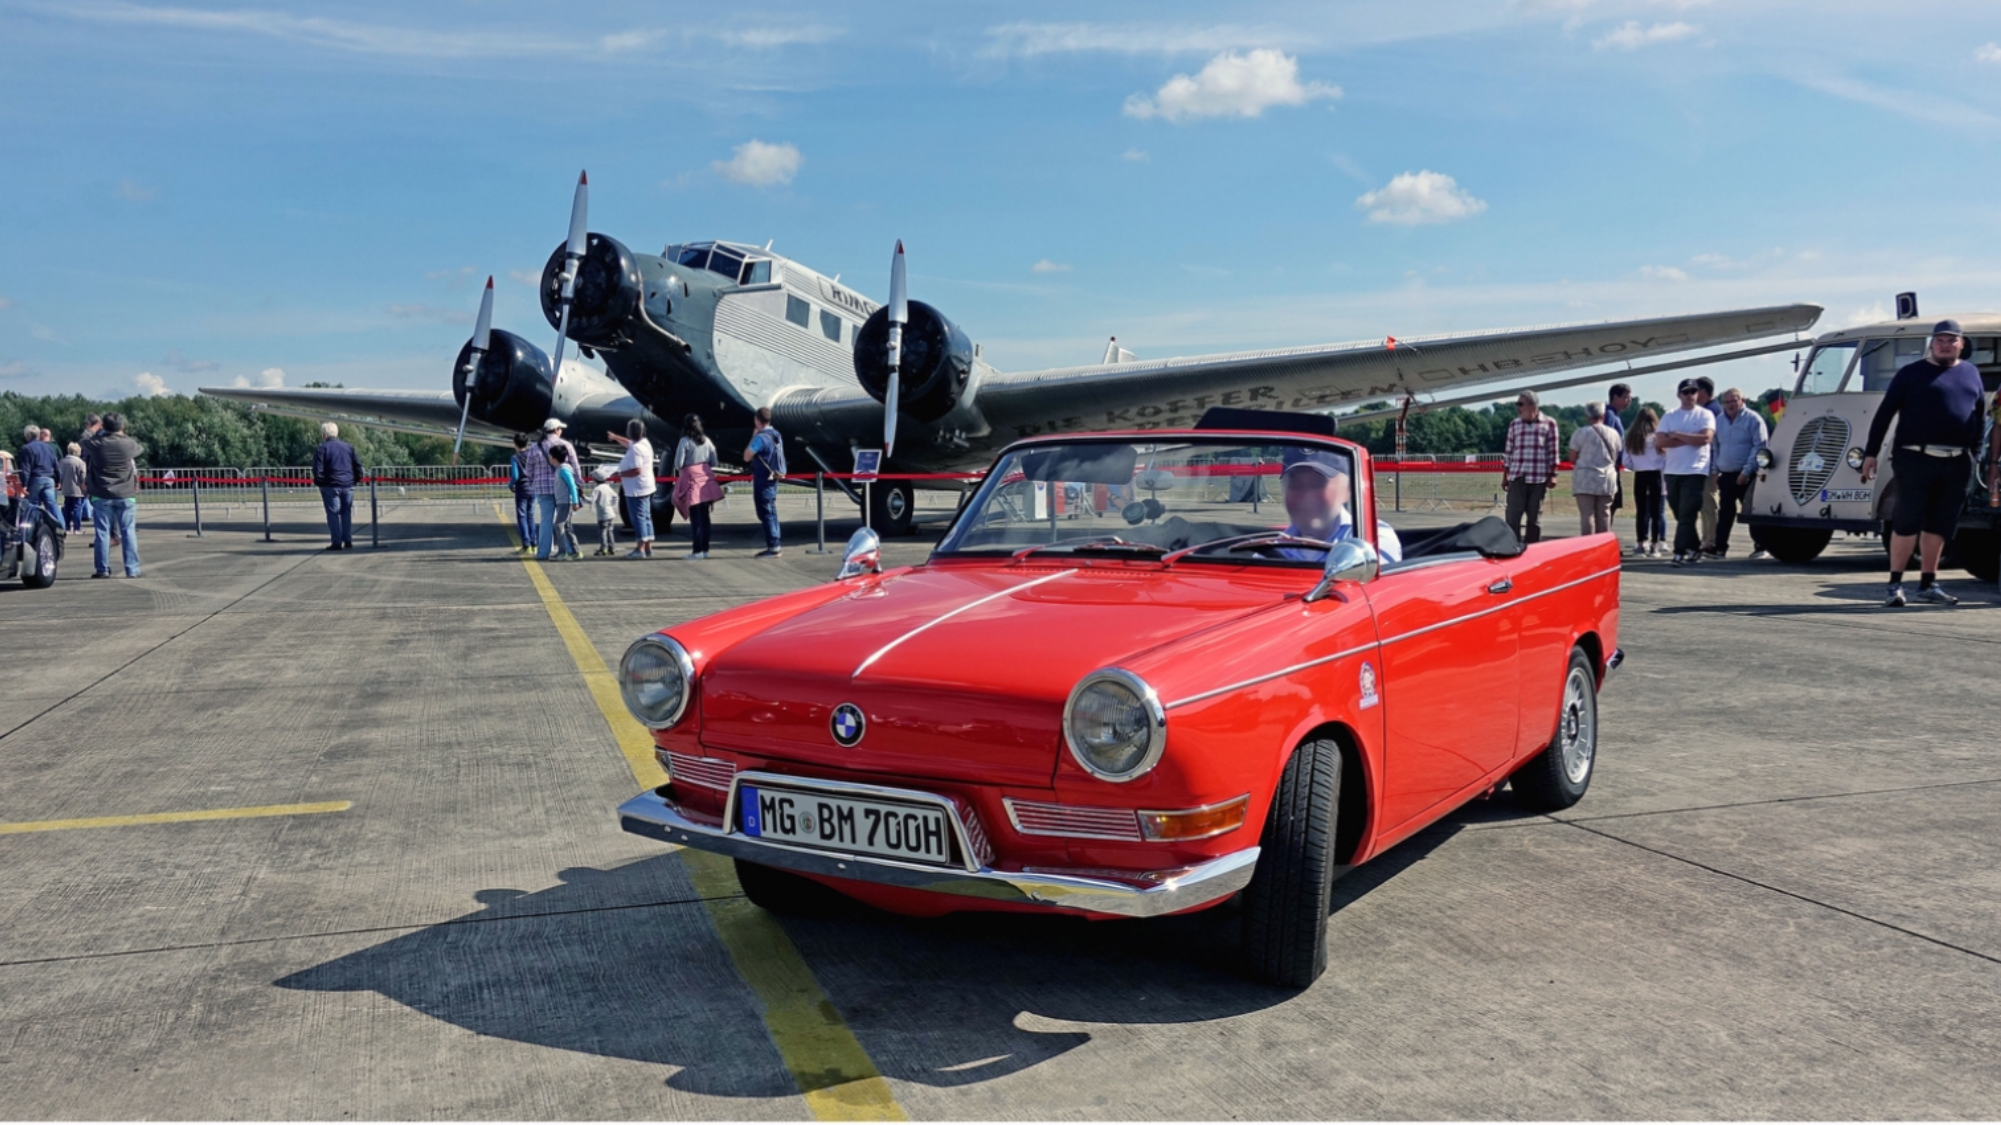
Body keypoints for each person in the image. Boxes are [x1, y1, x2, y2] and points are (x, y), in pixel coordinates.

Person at [1860, 319, 1986, 607]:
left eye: (1951, 340)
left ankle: (1928, 584)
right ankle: (1895, 585)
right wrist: (1871, 453)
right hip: (1915, 457)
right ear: (1932, 344)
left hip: (1956, 461)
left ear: (1961, 344)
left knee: (1940, 524)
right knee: (1907, 521)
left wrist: (1975, 455)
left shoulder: (1971, 374)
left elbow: (1978, 418)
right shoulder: (1910, 374)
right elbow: (1884, 415)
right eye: (1940, 340)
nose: (1945, 344)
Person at [1276, 447, 1403, 563]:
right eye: (1296, 485)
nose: (1307, 496)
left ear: (1347, 490)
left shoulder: (1373, 539)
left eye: (1318, 484)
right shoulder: (1273, 546)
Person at [1655, 379, 1716, 567]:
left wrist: (1678, 435)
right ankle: (1694, 547)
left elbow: (1706, 438)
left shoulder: (1705, 414)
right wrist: (1689, 439)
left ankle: (1679, 552)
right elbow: (1661, 441)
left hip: (1695, 470)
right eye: (1686, 392)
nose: (1690, 395)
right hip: (1673, 470)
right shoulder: (1670, 415)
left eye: (1693, 392)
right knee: (1679, 512)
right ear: (1679, 395)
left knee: (1688, 512)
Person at [1709, 387, 1771, 560]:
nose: (1730, 404)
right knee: (1725, 513)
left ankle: (1761, 546)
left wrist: (1746, 471)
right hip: (1726, 474)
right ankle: (1720, 549)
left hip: (1749, 475)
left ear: (1742, 401)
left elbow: (1760, 447)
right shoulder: (1719, 421)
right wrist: (1715, 470)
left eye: (1734, 400)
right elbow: (1716, 447)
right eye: (1726, 401)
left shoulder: (1753, 420)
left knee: (1752, 512)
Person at [82, 412, 143, 578]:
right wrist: (121, 434)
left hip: (101, 493)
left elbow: (83, 441)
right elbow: (139, 449)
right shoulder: (128, 444)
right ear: (122, 427)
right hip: (125, 494)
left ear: (103, 426)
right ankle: (133, 569)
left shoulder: (96, 443)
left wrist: (95, 430)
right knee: (128, 532)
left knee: (102, 532)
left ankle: (102, 569)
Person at [1502, 390, 1559, 544]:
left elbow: (1553, 451)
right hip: (1517, 476)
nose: (1518, 408)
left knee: (1534, 519)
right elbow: (1508, 451)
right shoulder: (1514, 424)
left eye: (1520, 404)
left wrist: (1553, 474)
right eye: (1517, 404)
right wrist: (1505, 475)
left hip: (1538, 478)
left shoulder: (1549, 424)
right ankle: (1511, 546)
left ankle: (1532, 549)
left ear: (1532, 405)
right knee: (1512, 516)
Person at [672, 413, 723, 560]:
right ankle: (705, 549)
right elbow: (714, 461)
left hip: (692, 481)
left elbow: (678, 464)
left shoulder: (684, 442)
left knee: (696, 519)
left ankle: (697, 551)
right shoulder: (707, 441)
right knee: (705, 517)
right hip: (706, 480)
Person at [1567, 402, 1621, 537]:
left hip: (1585, 479)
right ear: (1603, 415)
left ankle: (1587, 547)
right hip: (1606, 478)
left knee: (1587, 514)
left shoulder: (1580, 433)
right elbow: (1617, 455)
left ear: (1587, 416)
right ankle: (1603, 546)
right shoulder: (1613, 433)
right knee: (1604, 513)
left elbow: (1572, 457)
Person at [527, 419, 577, 561]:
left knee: (546, 520)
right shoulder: (566, 445)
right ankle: (568, 549)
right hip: (562, 489)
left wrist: (533, 483)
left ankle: (543, 552)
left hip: (543, 489)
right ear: (556, 430)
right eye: (560, 428)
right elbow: (575, 466)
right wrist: (578, 483)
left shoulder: (535, 447)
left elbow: (529, 469)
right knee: (564, 522)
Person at [310, 422, 364, 550]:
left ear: (324, 435)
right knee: (346, 513)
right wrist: (355, 480)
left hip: (330, 485)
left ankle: (336, 542)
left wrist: (320, 482)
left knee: (333, 513)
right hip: (347, 484)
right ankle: (348, 539)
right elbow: (357, 465)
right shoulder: (348, 447)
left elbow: (318, 469)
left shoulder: (322, 448)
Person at [608, 419, 657, 559]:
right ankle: (648, 547)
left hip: (637, 488)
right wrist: (616, 437)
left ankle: (640, 548)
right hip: (646, 486)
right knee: (646, 517)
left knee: (638, 518)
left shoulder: (636, 449)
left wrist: (619, 474)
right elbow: (628, 443)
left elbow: (637, 470)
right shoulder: (643, 443)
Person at [744, 406, 786, 558]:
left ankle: (774, 547)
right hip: (773, 478)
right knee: (772, 511)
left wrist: (754, 436)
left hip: (762, 480)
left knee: (766, 513)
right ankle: (776, 544)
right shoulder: (776, 435)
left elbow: (747, 456)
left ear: (757, 420)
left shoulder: (760, 438)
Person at [1625, 408, 1667, 557]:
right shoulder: (1658, 438)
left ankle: (1640, 544)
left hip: (1640, 475)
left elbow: (1626, 462)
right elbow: (1665, 459)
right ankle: (1655, 546)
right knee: (1656, 512)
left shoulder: (1631, 438)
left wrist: (1638, 465)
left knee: (1641, 512)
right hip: (1655, 475)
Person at [1694, 375, 1723, 553]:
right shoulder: (1713, 410)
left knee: (1709, 505)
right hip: (1707, 465)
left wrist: (1714, 469)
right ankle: (1707, 539)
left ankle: (1710, 540)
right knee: (1705, 505)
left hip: (1709, 465)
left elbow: (1713, 443)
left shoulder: (1711, 412)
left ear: (1703, 392)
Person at [15, 423, 62, 527]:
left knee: (32, 505)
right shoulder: (49, 447)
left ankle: (32, 528)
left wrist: (24, 485)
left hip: (35, 479)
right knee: (52, 505)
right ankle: (61, 527)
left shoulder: (26, 448)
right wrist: (58, 480)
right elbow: (56, 465)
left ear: (27, 435)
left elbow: (25, 468)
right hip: (49, 479)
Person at [548, 444, 582, 560]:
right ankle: (576, 551)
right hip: (562, 502)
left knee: (559, 526)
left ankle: (562, 552)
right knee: (567, 527)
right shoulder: (559, 469)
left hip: (565, 503)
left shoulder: (563, 470)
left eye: (550, 456)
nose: (549, 458)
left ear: (554, 457)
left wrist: (575, 502)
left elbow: (572, 485)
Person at [507, 434, 538, 553]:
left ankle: (526, 545)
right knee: (531, 516)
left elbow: (515, 475)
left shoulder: (515, 457)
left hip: (522, 488)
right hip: (532, 487)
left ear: (515, 444)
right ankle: (534, 543)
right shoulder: (532, 456)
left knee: (522, 516)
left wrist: (510, 485)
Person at [588, 468, 621, 556]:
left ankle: (603, 548)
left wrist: (582, 497)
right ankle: (612, 547)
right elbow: (616, 497)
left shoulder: (597, 489)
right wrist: (613, 506)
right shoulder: (607, 487)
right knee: (610, 531)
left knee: (602, 531)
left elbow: (592, 500)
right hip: (610, 513)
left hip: (602, 514)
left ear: (595, 479)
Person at [58, 442, 89, 532]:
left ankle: (66, 526)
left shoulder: (62, 461)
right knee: (77, 508)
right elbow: (83, 477)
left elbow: (61, 475)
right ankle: (77, 527)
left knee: (67, 508)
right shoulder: (80, 462)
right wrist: (86, 489)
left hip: (66, 489)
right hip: (77, 489)